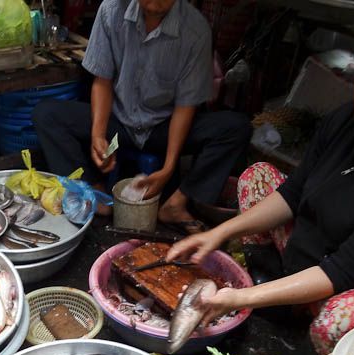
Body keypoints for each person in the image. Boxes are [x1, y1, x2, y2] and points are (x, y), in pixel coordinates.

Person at [168, 11, 354, 355]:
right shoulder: (346, 121)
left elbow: (344, 270)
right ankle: (274, 292)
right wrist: (218, 234)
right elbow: (293, 193)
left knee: (348, 316)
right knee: (257, 176)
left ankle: (312, 354)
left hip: (347, 288)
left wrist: (239, 299)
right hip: (306, 253)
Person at [32, 0, 251, 234]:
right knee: (47, 114)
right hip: (120, 121)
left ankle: (177, 203)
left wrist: (168, 168)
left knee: (236, 127)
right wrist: (98, 134)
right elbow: (102, 80)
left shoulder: (195, 30)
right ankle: (94, 192)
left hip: (163, 128)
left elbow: (185, 106)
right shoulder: (111, 11)